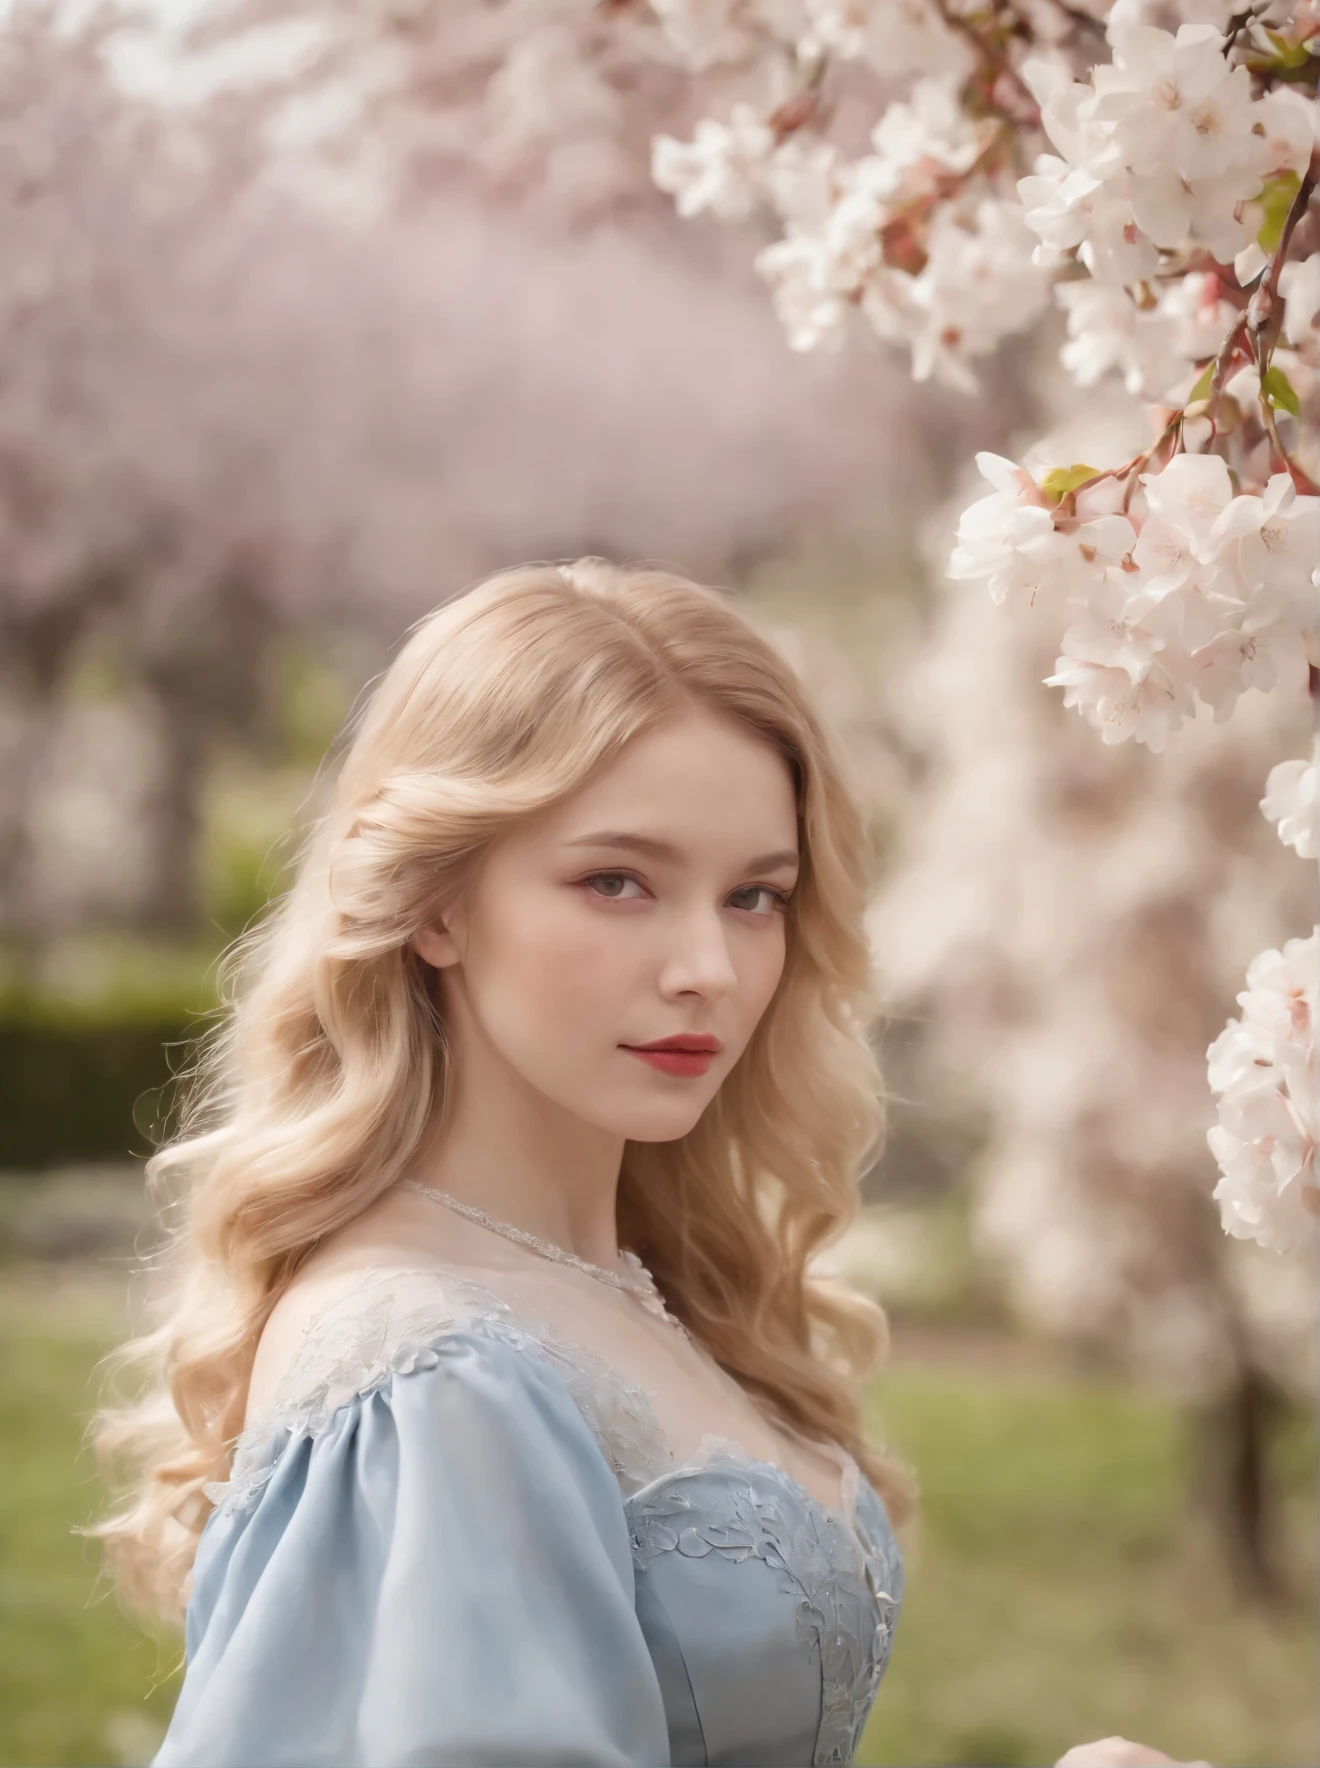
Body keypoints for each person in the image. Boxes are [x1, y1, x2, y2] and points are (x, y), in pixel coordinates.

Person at [80, 558, 1208, 1768]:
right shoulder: (434, 1374)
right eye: (616, 881)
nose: (708, 970)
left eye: (755, 897)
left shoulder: (635, 1277)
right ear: (438, 904)